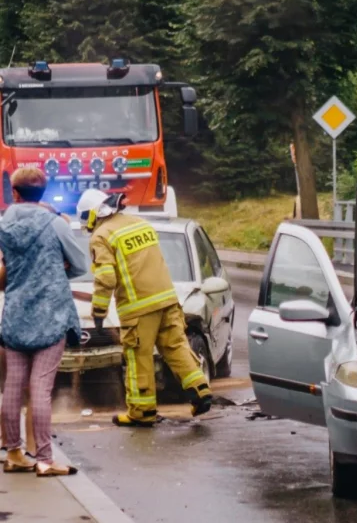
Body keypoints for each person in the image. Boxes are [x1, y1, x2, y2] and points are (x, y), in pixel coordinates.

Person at [75, 189, 213, 427]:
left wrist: (99, 313)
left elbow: (106, 278)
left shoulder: (101, 235)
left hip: (138, 308)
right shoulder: (140, 224)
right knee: (176, 347)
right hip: (168, 300)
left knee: (139, 357)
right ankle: (200, 390)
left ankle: (141, 412)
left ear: (93, 213)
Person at [0, 168, 87, 476]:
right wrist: (55, 269)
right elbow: (80, 264)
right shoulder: (54, 224)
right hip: (51, 314)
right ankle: (45, 460)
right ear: (43, 193)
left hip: (15, 312)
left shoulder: (3, 223)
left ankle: (13, 453)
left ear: (16, 192)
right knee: (40, 387)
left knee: (13, 384)